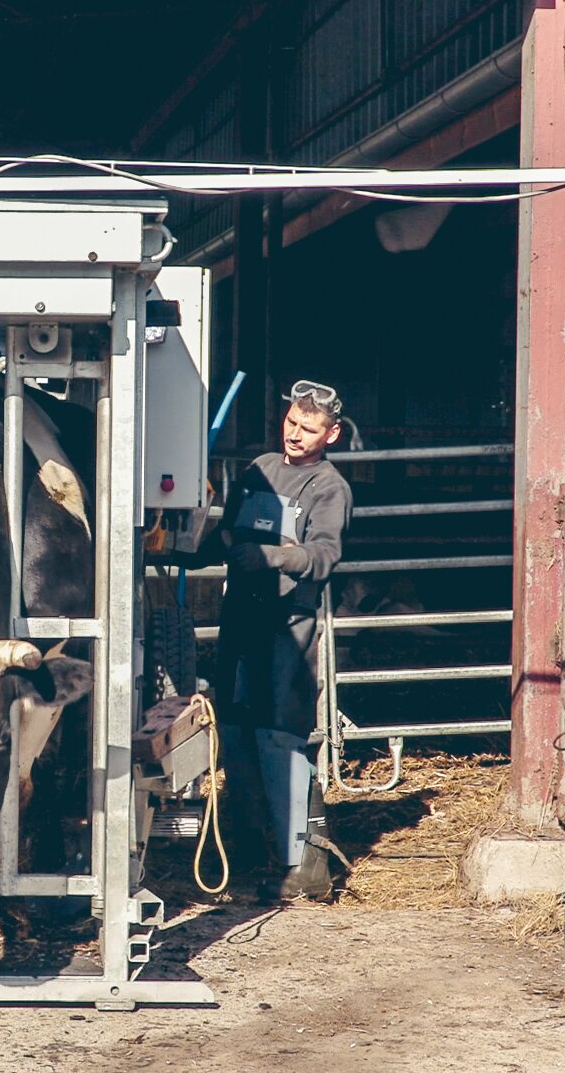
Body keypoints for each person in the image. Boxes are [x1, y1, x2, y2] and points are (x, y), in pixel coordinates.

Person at [207, 380, 352, 902]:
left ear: (330, 434)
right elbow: (224, 529)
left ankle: (302, 860)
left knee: (279, 731)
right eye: (292, 423)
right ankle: (247, 842)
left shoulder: (328, 487)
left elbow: (324, 556)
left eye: (309, 429)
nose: (295, 435)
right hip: (239, 613)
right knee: (233, 725)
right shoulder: (260, 467)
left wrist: (271, 556)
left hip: (287, 622)